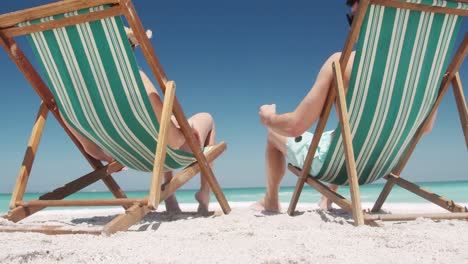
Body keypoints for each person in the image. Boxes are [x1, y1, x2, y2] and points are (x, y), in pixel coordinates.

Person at [254, 0, 437, 213]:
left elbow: (295, 126)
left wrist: (269, 118)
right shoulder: (427, 72)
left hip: (341, 168)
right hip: (380, 166)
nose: (351, 25)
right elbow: (425, 128)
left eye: (354, 17)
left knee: (273, 134)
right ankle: (326, 199)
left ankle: (272, 200)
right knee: (341, 134)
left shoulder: (341, 63)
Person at [61, 27, 216, 215]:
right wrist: (186, 130)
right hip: (162, 154)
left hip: (130, 156)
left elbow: (91, 149)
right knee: (206, 118)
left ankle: (169, 195)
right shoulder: (136, 80)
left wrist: (110, 155)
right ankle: (204, 193)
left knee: (167, 122)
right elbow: (176, 142)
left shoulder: (69, 93)